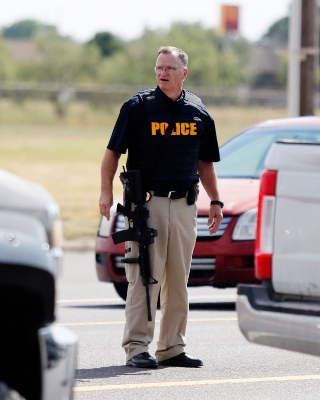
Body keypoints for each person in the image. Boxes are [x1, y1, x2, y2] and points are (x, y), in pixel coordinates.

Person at [99, 46, 223, 369]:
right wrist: (105, 193)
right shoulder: (138, 107)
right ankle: (137, 347)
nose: (162, 73)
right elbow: (112, 154)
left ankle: (172, 347)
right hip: (147, 204)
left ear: (184, 72)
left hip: (185, 205)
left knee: (178, 279)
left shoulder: (198, 111)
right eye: (158, 67)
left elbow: (205, 162)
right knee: (144, 276)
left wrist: (216, 200)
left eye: (169, 68)